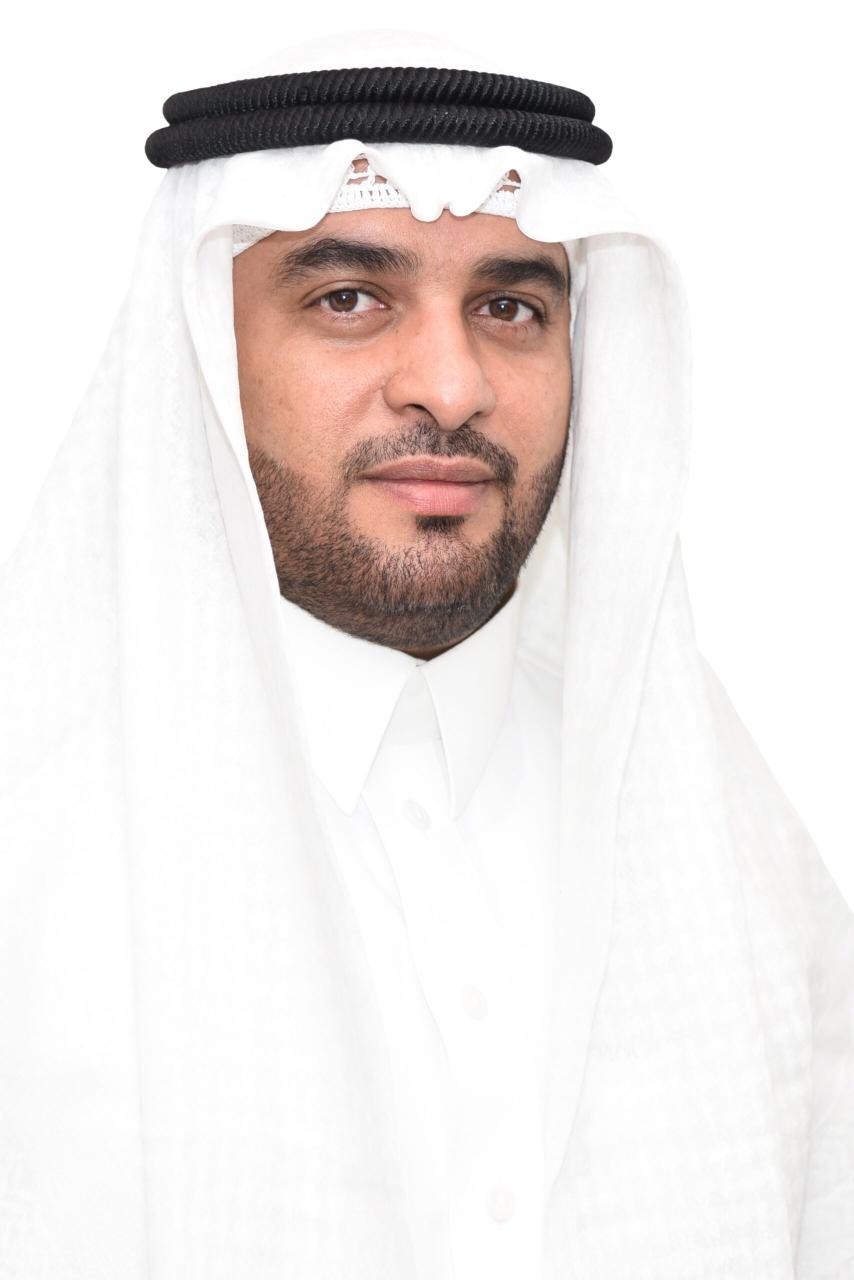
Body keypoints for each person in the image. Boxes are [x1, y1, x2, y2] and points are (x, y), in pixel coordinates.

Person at [1, 29, 851, 1280]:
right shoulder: (35, 852)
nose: (450, 388)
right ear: (204, 356)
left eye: (509, 307)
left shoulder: (736, 861)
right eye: (348, 299)